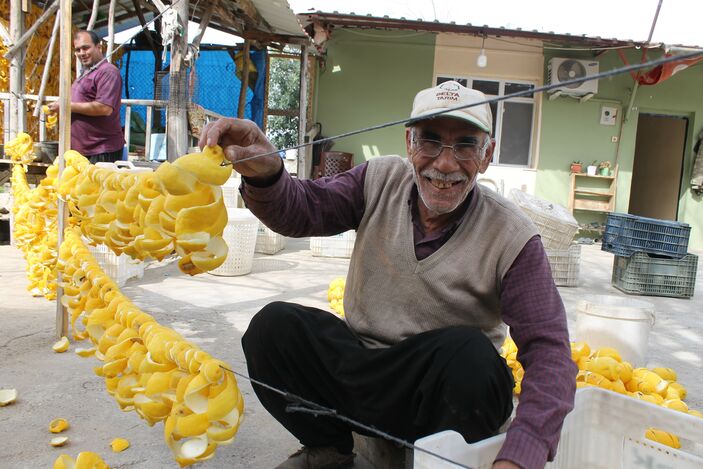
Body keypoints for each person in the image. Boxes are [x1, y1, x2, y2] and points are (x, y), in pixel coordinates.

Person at [200, 80, 577, 469]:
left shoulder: (512, 236)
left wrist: (521, 454)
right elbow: (303, 209)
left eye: (465, 144)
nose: (445, 165)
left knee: (475, 359)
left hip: (439, 398)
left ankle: (438, 462)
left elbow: (550, 354)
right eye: (430, 141)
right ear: (409, 143)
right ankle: (330, 449)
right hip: (361, 370)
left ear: (486, 155)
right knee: (273, 327)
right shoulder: (379, 179)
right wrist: (268, 172)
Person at [48, 30, 124, 163]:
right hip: (82, 150)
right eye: (78, 50)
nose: (82, 53)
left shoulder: (108, 72)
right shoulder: (86, 72)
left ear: (98, 47)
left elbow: (104, 108)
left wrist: (67, 106)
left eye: (86, 48)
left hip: (101, 150)